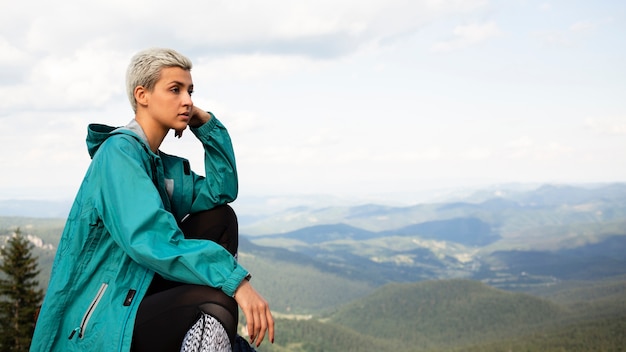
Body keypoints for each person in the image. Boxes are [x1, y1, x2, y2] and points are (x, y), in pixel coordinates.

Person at [30, 48, 274, 351]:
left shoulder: (160, 165)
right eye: (175, 89)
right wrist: (236, 282)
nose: (187, 100)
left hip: (140, 290)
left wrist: (205, 124)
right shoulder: (118, 154)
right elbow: (150, 239)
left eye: (190, 91)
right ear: (142, 95)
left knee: (220, 216)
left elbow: (221, 190)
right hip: (100, 321)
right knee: (215, 301)